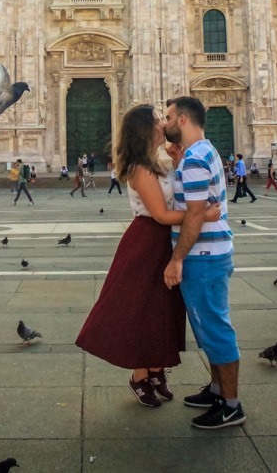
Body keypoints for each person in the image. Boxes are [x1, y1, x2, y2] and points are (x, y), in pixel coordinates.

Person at [76, 104, 221, 408]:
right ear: (146, 129)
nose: (164, 124)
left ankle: (156, 369)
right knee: (143, 309)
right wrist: (203, 215)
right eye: (159, 120)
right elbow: (161, 214)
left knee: (162, 308)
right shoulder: (140, 169)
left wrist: (179, 162)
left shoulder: (158, 163)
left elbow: (177, 193)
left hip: (163, 242)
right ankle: (139, 374)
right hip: (147, 241)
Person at [164, 96, 246, 430]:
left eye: (168, 116)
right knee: (210, 327)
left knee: (215, 329)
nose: (164, 121)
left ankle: (230, 405)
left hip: (204, 256)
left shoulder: (195, 158)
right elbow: (196, 200)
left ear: (182, 120)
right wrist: (178, 162)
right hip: (211, 254)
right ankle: (216, 390)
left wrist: (177, 258)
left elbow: (195, 215)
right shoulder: (202, 152)